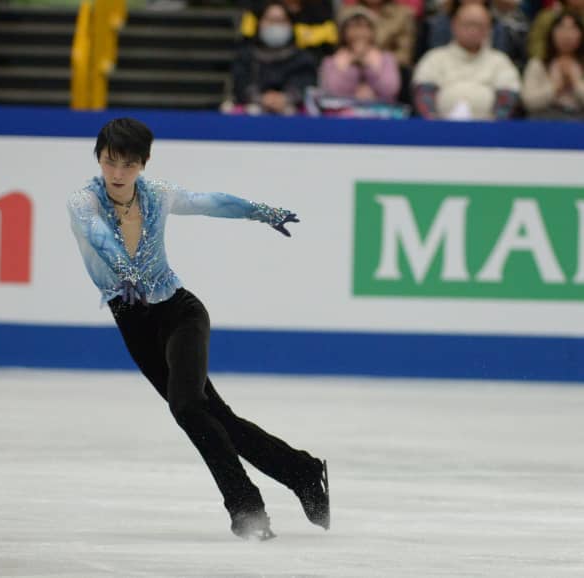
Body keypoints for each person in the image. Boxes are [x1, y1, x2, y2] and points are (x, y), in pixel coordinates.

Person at [66, 117, 330, 541]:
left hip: (180, 314)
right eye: (111, 162)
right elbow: (99, 236)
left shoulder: (157, 194)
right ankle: (300, 471)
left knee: (188, 407)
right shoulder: (84, 202)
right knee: (214, 416)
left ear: (143, 164)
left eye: (128, 165)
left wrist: (262, 212)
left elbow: (213, 202)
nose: (118, 174)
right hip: (134, 324)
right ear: (99, 157)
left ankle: (246, 507)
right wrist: (125, 270)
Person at [413, 2, 521, 119]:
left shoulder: (501, 61)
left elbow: (508, 99)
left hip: (489, 131)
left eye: (479, 25)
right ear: (454, 25)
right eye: (468, 24)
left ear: (489, 29)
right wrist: (434, 126)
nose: (473, 30)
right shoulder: (433, 58)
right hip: (440, 130)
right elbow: (424, 96)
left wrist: (494, 127)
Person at [230, 1, 317, 114]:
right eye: (270, 20)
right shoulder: (246, 56)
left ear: (290, 24)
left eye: (281, 21)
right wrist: (262, 99)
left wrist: (285, 98)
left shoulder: (303, 58)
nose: (275, 26)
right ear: (259, 23)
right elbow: (240, 84)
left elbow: (307, 85)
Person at [319, 6, 401, 101]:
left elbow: (390, 90)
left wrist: (372, 67)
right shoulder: (331, 61)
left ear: (373, 31)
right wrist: (344, 67)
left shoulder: (387, 59)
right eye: (353, 27)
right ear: (343, 32)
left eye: (364, 26)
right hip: (343, 113)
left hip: (381, 113)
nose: (359, 33)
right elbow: (330, 91)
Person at [522, 11, 584, 119]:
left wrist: (575, 82)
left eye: (573, 29)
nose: (567, 35)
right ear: (551, 33)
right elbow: (528, 102)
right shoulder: (538, 63)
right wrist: (554, 88)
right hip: (545, 120)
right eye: (561, 28)